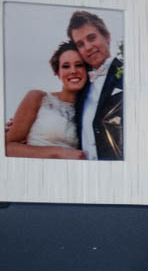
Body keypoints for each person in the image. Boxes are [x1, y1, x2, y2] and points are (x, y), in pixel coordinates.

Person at [4, 41, 87, 159]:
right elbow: (7, 147)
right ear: (57, 73)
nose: (73, 71)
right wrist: (59, 152)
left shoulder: (91, 109)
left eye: (79, 65)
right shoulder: (37, 97)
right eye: (65, 66)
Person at [67, 10, 123, 160]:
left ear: (107, 37)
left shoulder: (129, 74)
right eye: (80, 44)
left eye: (91, 38)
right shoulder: (80, 87)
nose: (88, 47)